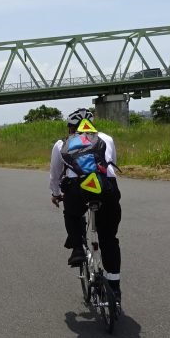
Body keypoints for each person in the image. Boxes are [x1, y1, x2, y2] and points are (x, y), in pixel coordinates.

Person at [49, 107, 123, 305]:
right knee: (109, 239)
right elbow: (111, 165)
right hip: (106, 189)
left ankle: (78, 248)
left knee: (72, 214)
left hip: (76, 190)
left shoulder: (61, 144)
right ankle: (114, 290)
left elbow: (55, 175)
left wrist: (56, 195)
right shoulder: (106, 138)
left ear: (71, 127)